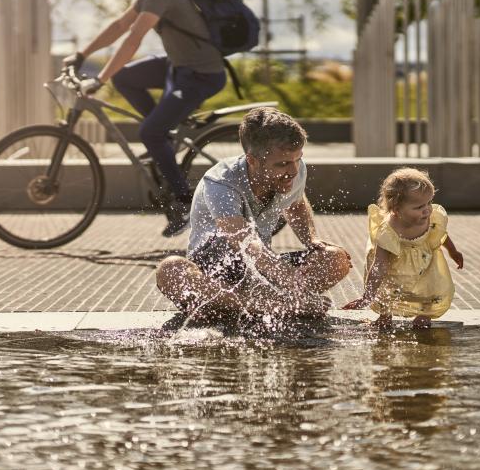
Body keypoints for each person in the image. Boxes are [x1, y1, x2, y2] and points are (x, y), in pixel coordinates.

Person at [64, 0, 226, 236]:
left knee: (149, 131)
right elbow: (118, 26)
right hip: (178, 66)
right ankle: (161, 137)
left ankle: (181, 202)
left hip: (200, 74)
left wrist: (100, 79)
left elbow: (133, 38)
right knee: (125, 77)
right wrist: (82, 54)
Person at [155, 107, 352, 324]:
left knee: (336, 258)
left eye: (298, 159)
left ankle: (264, 304)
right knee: (170, 270)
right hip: (214, 278)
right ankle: (283, 304)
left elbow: (296, 203)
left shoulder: (294, 169)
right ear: (252, 160)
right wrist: (288, 281)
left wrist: (311, 239)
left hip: (260, 274)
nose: (294, 171)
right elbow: (245, 241)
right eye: (283, 163)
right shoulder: (220, 183)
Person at [343, 167, 464, 329]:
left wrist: (452, 250)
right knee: (388, 289)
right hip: (393, 267)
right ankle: (385, 316)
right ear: (396, 209)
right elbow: (379, 267)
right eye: (419, 207)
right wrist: (367, 297)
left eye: (429, 202)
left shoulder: (431, 217)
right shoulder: (388, 232)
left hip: (426, 263)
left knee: (431, 287)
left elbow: (440, 232)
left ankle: (424, 316)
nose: (427, 210)